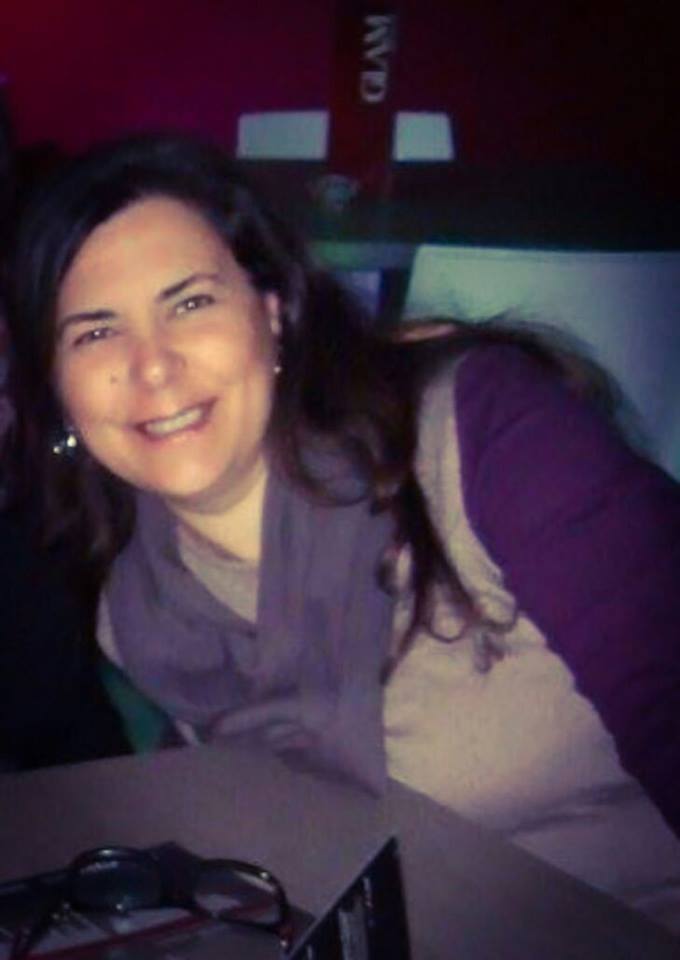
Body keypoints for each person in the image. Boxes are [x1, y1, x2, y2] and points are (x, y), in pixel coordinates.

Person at [7, 133, 680, 930]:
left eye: (190, 302)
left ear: (274, 312)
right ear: (60, 392)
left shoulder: (482, 436)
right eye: (96, 332)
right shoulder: (139, 611)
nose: (153, 365)